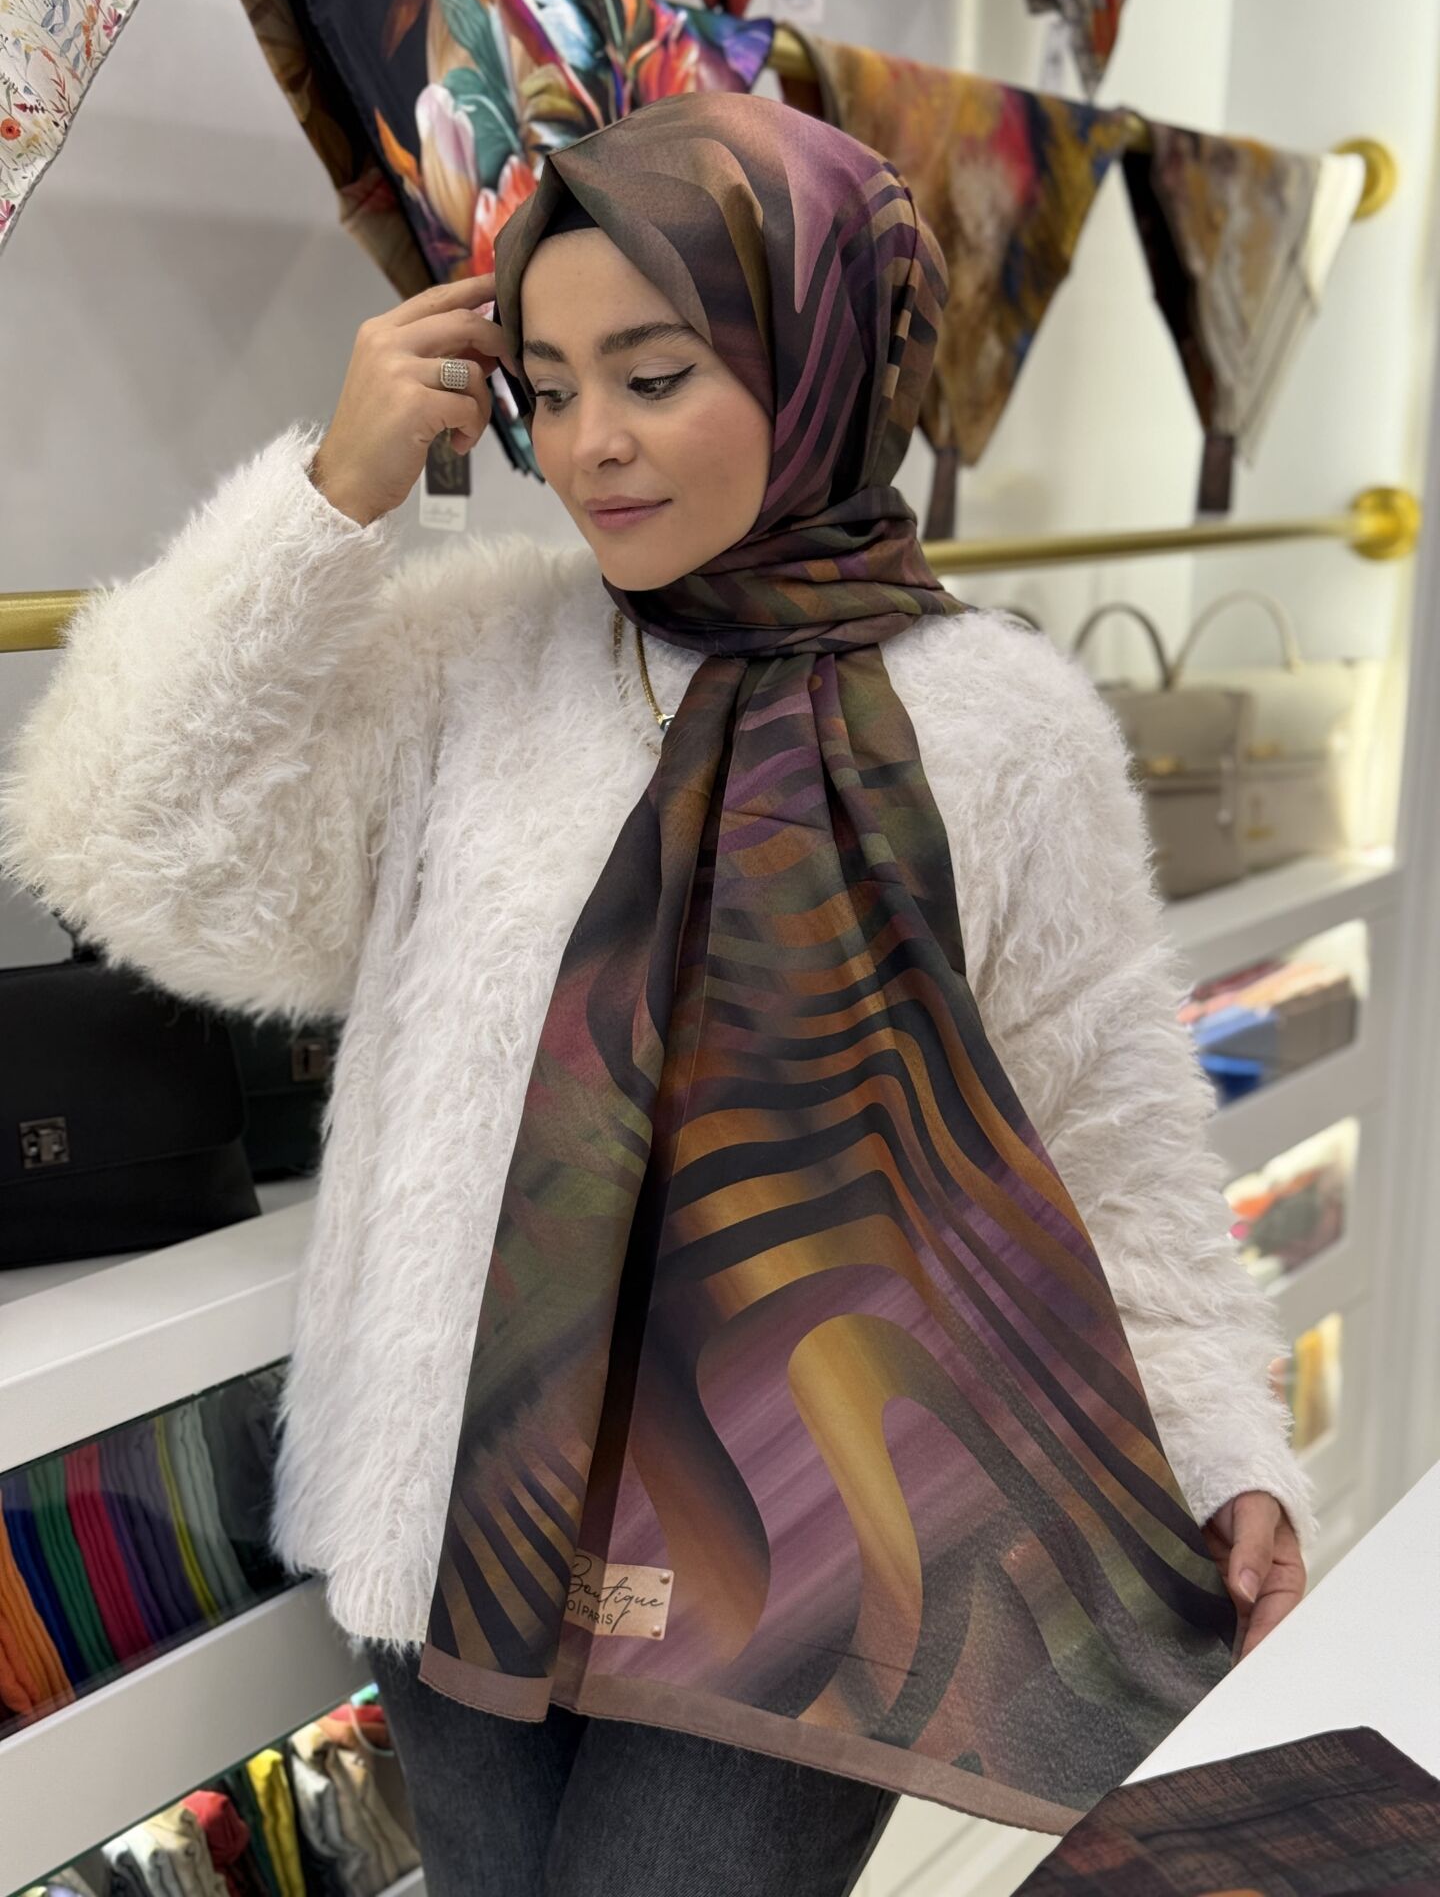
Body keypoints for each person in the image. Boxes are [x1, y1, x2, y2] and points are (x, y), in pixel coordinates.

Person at [0, 93, 1311, 1896]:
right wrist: (325, 504)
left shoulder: (1003, 729)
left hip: (818, 1528)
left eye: (656, 372)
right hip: (470, 1496)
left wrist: (1223, 1439)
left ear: (817, 354)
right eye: (548, 385)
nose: (592, 443)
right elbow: (123, 841)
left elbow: (1106, 1141)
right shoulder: (480, 660)